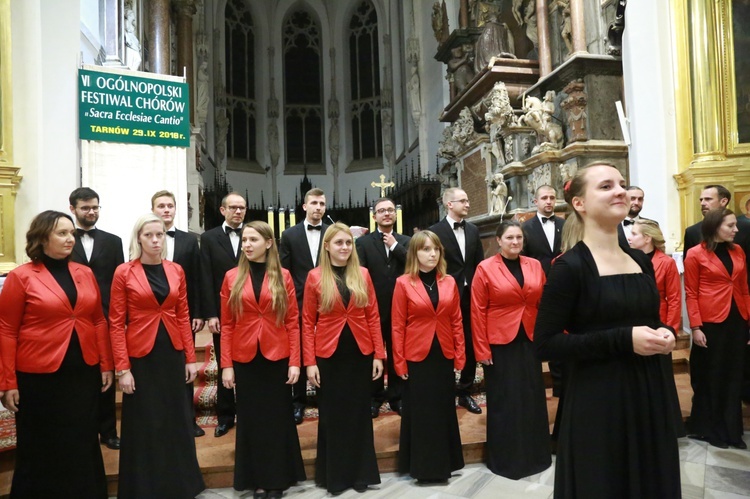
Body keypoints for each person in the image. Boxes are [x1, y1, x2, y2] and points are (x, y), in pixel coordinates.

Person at [535, 164, 681, 498]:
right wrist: (623, 339)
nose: (620, 191)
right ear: (580, 203)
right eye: (606, 186)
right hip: (599, 398)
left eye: (621, 184)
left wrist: (665, 331)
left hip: (650, 391)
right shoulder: (570, 267)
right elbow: (545, 344)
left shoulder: (640, 260)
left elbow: (647, 315)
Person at [0, 210, 114, 498]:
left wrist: (105, 364)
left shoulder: (84, 272)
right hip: (39, 376)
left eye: (71, 234)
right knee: (42, 444)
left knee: (82, 438)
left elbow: (98, 320)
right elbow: (6, 330)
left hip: (83, 372)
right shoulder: (21, 276)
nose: (69, 239)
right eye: (62, 233)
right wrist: (7, 381)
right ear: (42, 237)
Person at [110, 214, 205, 498]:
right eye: (149, 235)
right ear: (138, 238)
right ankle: (145, 486)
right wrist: (122, 368)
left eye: (160, 235)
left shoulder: (176, 270)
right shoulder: (124, 272)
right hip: (140, 356)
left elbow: (183, 314)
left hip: (172, 353)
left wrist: (190, 357)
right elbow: (115, 322)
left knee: (176, 418)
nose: (155, 240)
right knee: (145, 421)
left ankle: (181, 483)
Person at [220, 221, 306, 497]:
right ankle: (255, 477)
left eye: (253, 239)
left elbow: (293, 321)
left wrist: (295, 361)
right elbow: (227, 324)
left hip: (276, 355)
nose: (246, 244)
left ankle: (277, 478)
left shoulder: (284, 276)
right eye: (244, 240)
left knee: (276, 417)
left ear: (268, 243)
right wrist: (226, 365)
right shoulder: (231, 277)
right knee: (251, 419)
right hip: (245, 356)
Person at [302, 222, 385, 495]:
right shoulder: (315, 277)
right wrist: (310, 361)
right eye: (338, 243)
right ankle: (335, 476)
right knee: (332, 416)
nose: (344, 248)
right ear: (326, 246)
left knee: (360, 414)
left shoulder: (362, 274)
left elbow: (373, 314)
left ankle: (361, 473)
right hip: (329, 354)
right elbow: (306, 322)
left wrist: (378, 354)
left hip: (360, 352)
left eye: (348, 243)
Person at [472, 220, 550, 479]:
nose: (515, 242)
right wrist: (481, 349)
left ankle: (535, 455)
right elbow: (477, 311)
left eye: (518, 237)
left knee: (531, 396)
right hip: (499, 342)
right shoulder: (485, 268)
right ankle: (506, 459)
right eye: (510, 238)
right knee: (505, 400)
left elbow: (543, 302)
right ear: (499, 241)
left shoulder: (535, 265)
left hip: (529, 338)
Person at [391, 230, 465, 483]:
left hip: (443, 353)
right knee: (422, 412)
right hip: (417, 355)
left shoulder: (449, 282)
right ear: (415, 253)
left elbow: (456, 320)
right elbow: (397, 325)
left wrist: (460, 355)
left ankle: (447, 463)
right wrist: (399, 361)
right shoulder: (403, 283)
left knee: (443, 408)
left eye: (435, 249)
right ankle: (423, 468)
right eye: (425, 249)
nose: (432, 254)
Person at [684, 208, 750, 449]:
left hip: (737, 320)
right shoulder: (694, 254)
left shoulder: (738, 250)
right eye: (730, 226)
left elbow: (744, 289)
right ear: (715, 227)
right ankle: (711, 430)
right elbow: (690, 292)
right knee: (712, 376)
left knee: (734, 375)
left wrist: (749, 322)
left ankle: (732, 431)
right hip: (710, 322)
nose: (736, 229)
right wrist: (696, 326)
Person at [69, 187, 124, 450]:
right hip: (73, 318)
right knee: (80, 376)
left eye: (95, 207)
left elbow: (119, 282)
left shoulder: (113, 241)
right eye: (85, 208)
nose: (91, 212)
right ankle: (83, 431)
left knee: (107, 375)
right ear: (73, 209)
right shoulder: (64, 240)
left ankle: (109, 431)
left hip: (106, 317)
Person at [152, 189, 205, 437]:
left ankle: (188, 419)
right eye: (161, 206)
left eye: (170, 206)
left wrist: (198, 312)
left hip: (182, 315)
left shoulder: (188, 240)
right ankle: (161, 420)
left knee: (187, 367)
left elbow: (196, 277)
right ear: (153, 209)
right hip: (151, 317)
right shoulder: (144, 238)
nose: (166, 210)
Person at [429, 187, 484, 414]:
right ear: (449, 204)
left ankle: (465, 389)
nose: (468, 204)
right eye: (463, 201)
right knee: (444, 340)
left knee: (470, 340)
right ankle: (442, 387)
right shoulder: (434, 231)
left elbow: (479, 264)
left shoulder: (473, 230)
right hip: (445, 295)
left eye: (468, 200)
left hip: (471, 293)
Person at [629, 219, 686, 437]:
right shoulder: (629, 258)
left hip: (659, 324)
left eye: (634, 234)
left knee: (660, 378)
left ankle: (663, 426)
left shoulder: (666, 262)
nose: (629, 237)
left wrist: (670, 329)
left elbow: (673, 298)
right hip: (635, 325)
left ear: (647, 238)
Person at [356, 197, 411, 417]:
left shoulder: (406, 241)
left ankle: (397, 396)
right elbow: (361, 274)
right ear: (374, 216)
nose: (386, 214)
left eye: (390, 210)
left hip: (401, 307)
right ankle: (375, 396)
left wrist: (395, 247)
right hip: (374, 306)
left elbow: (413, 265)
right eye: (381, 211)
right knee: (374, 353)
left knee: (398, 350)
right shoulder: (363, 243)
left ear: (395, 214)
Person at [279, 187, 329, 424]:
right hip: (298, 301)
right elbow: (284, 271)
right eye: (314, 203)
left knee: (325, 350)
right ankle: (298, 402)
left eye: (322, 203)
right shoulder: (290, 235)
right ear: (305, 206)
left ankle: (325, 398)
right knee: (298, 351)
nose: (318, 207)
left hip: (329, 301)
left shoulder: (332, 232)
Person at [200, 191, 247, 437]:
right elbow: (205, 276)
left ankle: (249, 414)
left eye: (242, 208)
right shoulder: (208, 238)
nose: (238, 211)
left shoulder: (253, 236)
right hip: (222, 312)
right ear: (222, 210)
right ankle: (226, 415)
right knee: (224, 362)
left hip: (252, 311)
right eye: (233, 207)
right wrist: (211, 313)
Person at [522, 185, 564, 275]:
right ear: (536, 202)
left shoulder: (565, 224)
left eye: (552, 198)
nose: (549, 201)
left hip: (563, 278)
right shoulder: (525, 227)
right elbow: (523, 258)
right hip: (537, 279)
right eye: (544, 198)